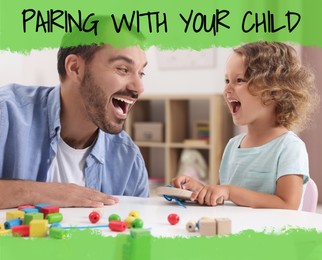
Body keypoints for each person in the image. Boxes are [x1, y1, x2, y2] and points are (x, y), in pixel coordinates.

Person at [0, 16, 149, 209]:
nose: (139, 87)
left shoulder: (128, 159)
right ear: (75, 68)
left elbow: (139, 232)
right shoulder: (6, 114)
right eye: (122, 69)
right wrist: (41, 193)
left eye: (141, 73)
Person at [171, 41, 319, 210]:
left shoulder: (289, 147)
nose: (227, 89)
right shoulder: (233, 146)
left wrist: (230, 192)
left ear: (274, 92)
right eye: (227, 80)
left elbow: (288, 204)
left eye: (239, 80)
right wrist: (202, 190)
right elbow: (225, 199)